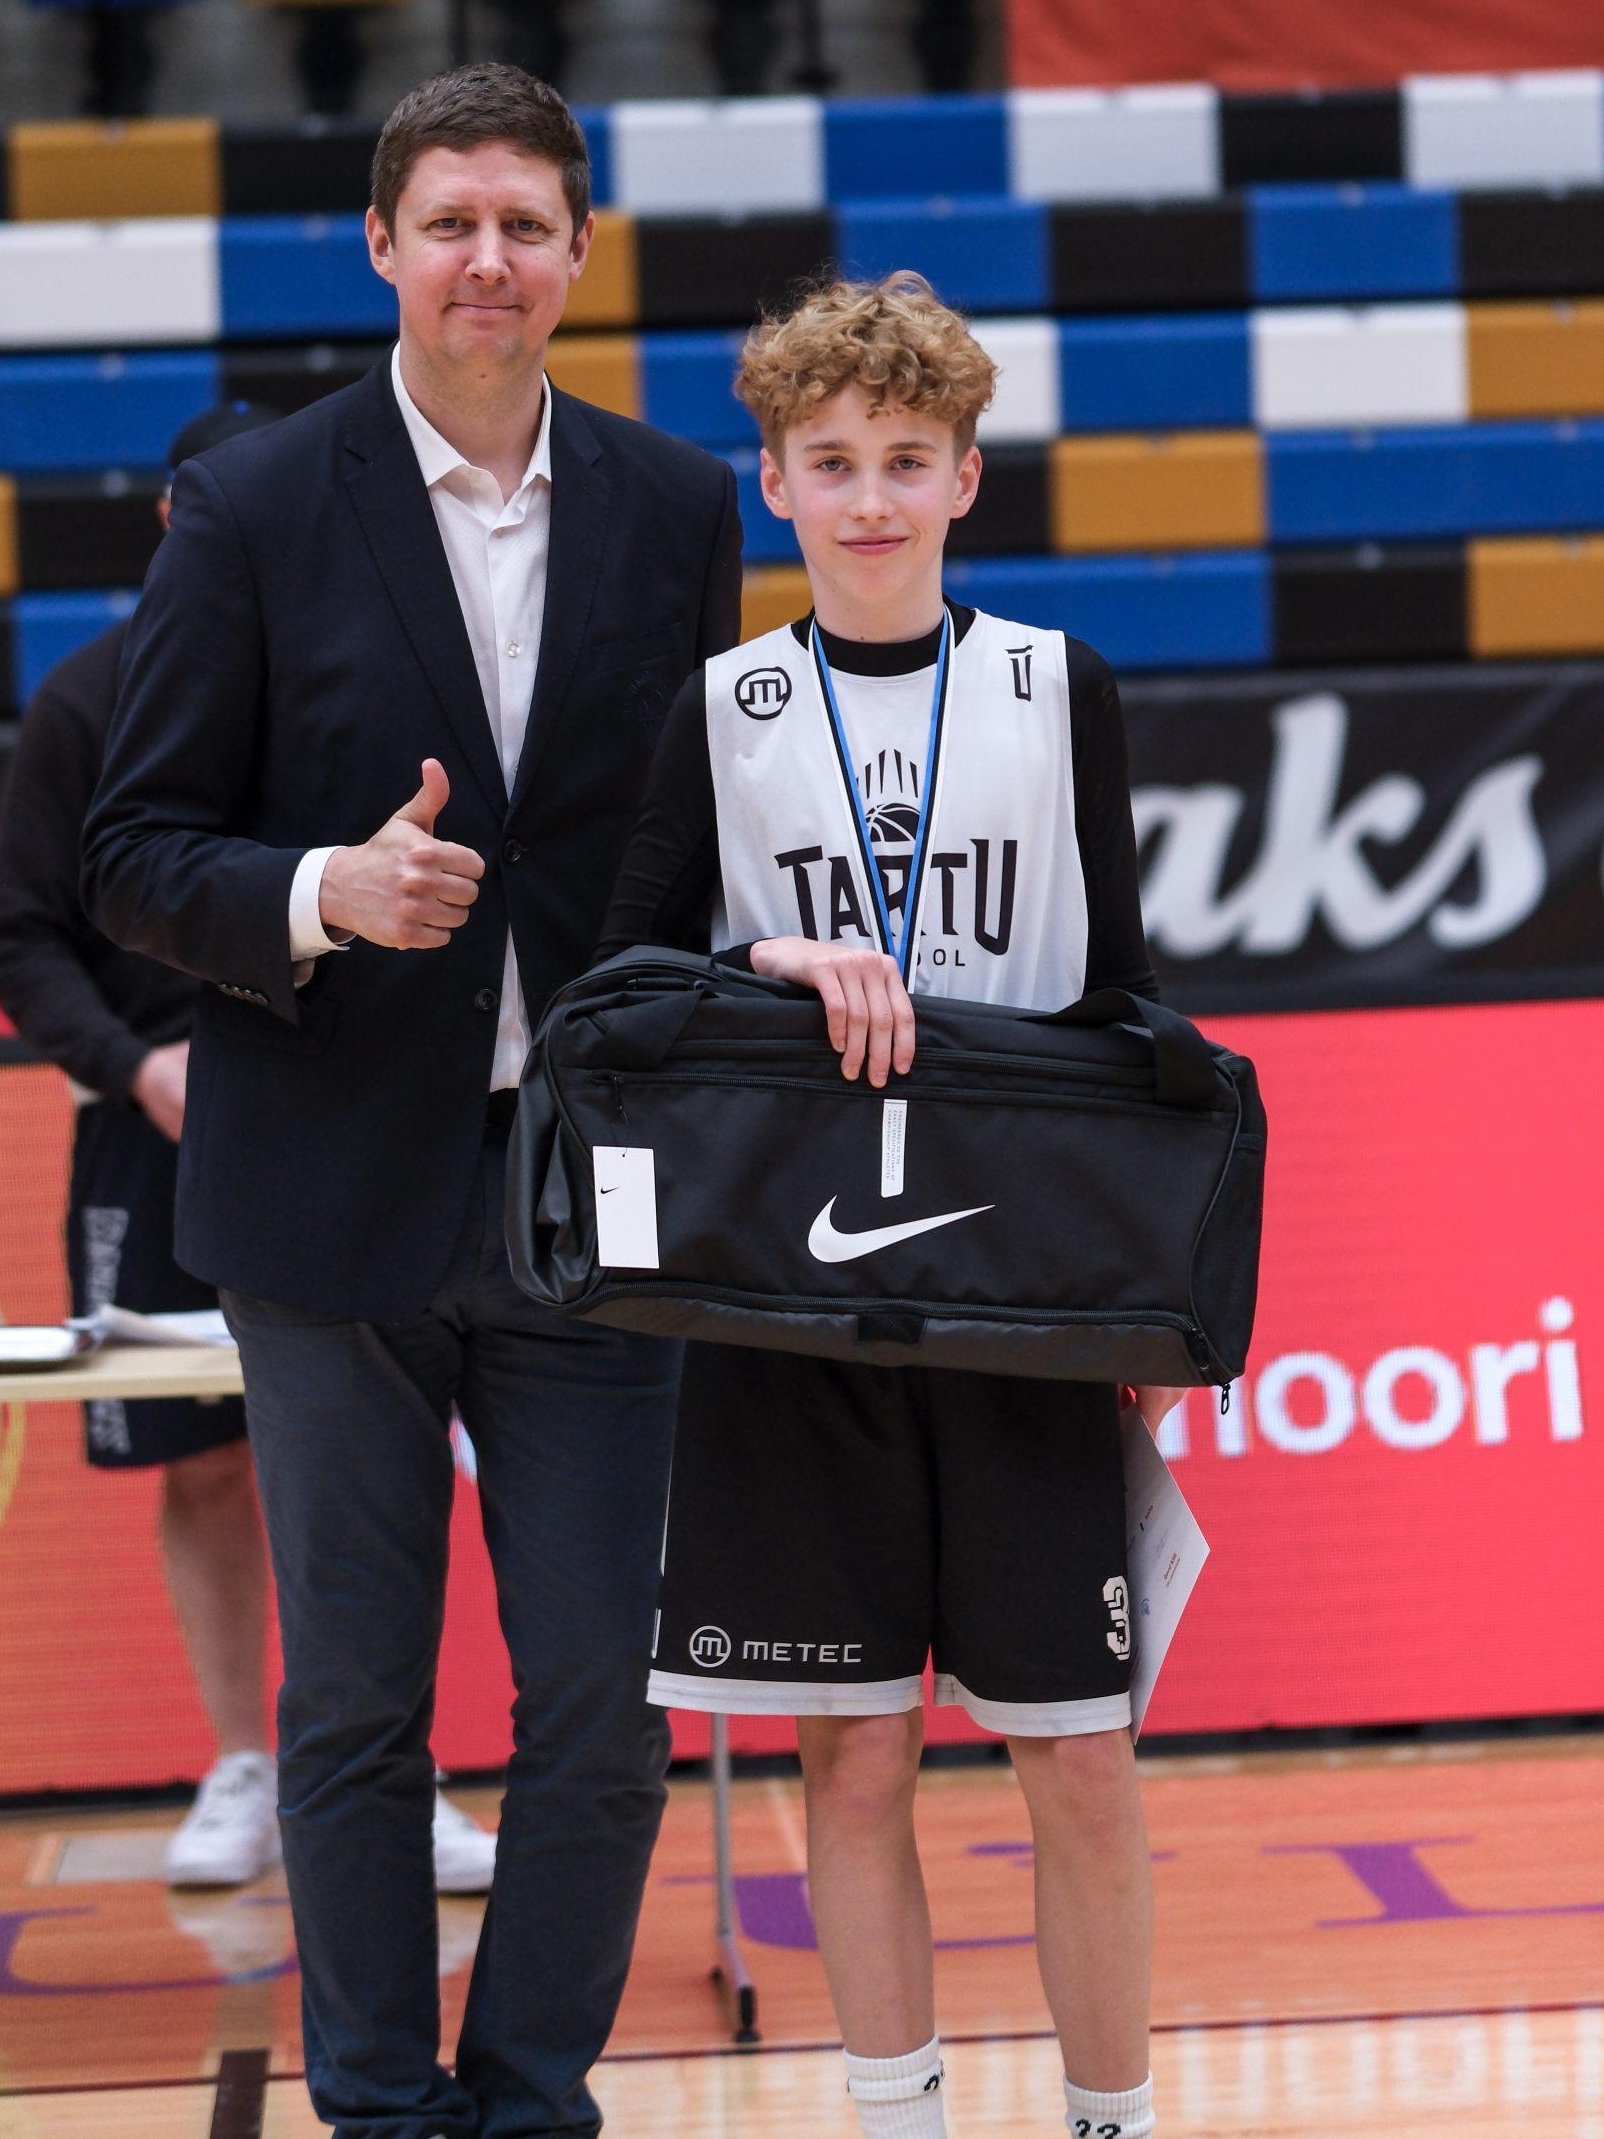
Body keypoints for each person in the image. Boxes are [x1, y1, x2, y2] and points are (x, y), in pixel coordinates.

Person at [82, 64, 742, 2139]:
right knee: (358, 1704)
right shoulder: (260, 505)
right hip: (327, 1185)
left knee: (604, 1706)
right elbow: (131, 850)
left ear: (578, 253)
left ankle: (531, 2097)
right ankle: (378, 2104)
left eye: (525, 223)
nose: (487, 259)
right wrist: (319, 891)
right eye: (448, 220)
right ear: (380, 245)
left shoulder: (674, 504)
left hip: (586, 1184)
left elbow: (691, 846)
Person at [600, 272, 1175, 2139]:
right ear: (771, 481)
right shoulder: (720, 709)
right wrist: (767, 955)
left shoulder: (1055, 686)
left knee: (1076, 1763)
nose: (868, 498)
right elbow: (619, 989)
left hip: (1020, 1295)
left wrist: (1140, 1304)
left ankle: (1108, 2122)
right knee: (850, 1759)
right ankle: (894, 2121)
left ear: (964, 481)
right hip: (794, 1298)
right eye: (831, 461)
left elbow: (1122, 1001)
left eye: (904, 460)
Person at [0, 402, 499, 1900]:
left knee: (381, 1458)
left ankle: (398, 1772)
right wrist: (136, 1066)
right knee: (203, 1462)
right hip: (153, 1131)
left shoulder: (376, 671)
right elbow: (24, 940)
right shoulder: (86, 699)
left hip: (350, 1112)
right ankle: (240, 1763)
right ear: (175, 522)